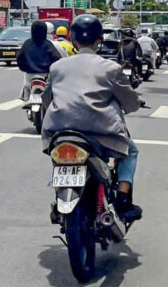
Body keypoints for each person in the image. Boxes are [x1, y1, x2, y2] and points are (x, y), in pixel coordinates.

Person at [41, 14, 143, 222]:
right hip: (101, 134)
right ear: (100, 40)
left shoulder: (57, 67)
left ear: (73, 40)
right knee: (131, 151)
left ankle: (59, 196)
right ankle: (123, 198)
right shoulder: (111, 68)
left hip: (59, 131)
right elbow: (130, 104)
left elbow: (46, 99)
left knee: (60, 159)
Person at [17, 20, 65, 98]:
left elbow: (20, 59)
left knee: (26, 90)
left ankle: (25, 98)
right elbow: (56, 59)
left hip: (30, 76)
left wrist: (27, 69)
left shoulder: (27, 43)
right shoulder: (48, 44)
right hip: (46, 76)